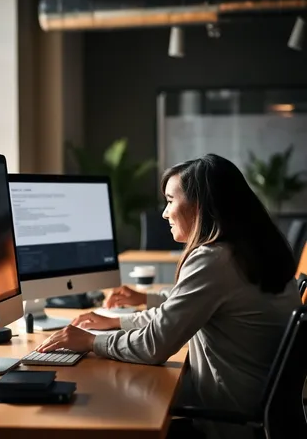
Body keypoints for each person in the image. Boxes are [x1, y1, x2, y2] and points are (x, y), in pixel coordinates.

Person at [36, 154, 301, 439]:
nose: (164, 212)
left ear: (199, 206)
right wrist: (117, 323)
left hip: (227, 423)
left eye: (170, 200)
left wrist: (90, 341)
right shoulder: (246, 251)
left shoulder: (214, 259)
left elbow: (154, 345)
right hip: (255, 415)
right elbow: (176, 313)